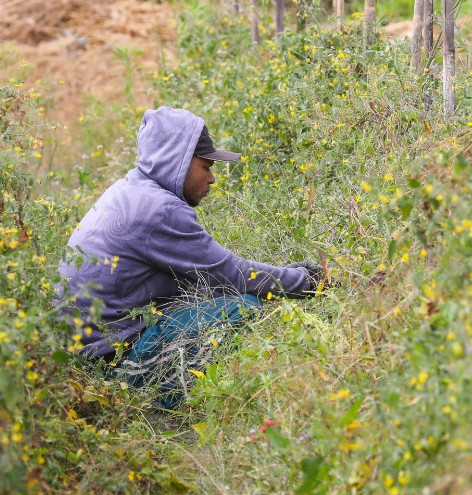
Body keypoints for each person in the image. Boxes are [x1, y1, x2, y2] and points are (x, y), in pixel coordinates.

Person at [56, 106, 324, 405]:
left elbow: (207, 279)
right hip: (110, 364)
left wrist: (287, 274)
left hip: (80, 356)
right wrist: (311, 281)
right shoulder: (160, 210)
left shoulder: (130, 190)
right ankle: (158, 404)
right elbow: (232, 274)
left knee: (213, 296)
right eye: (206, 167)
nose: (212, 179)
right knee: (242, 307)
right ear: (178, 160)